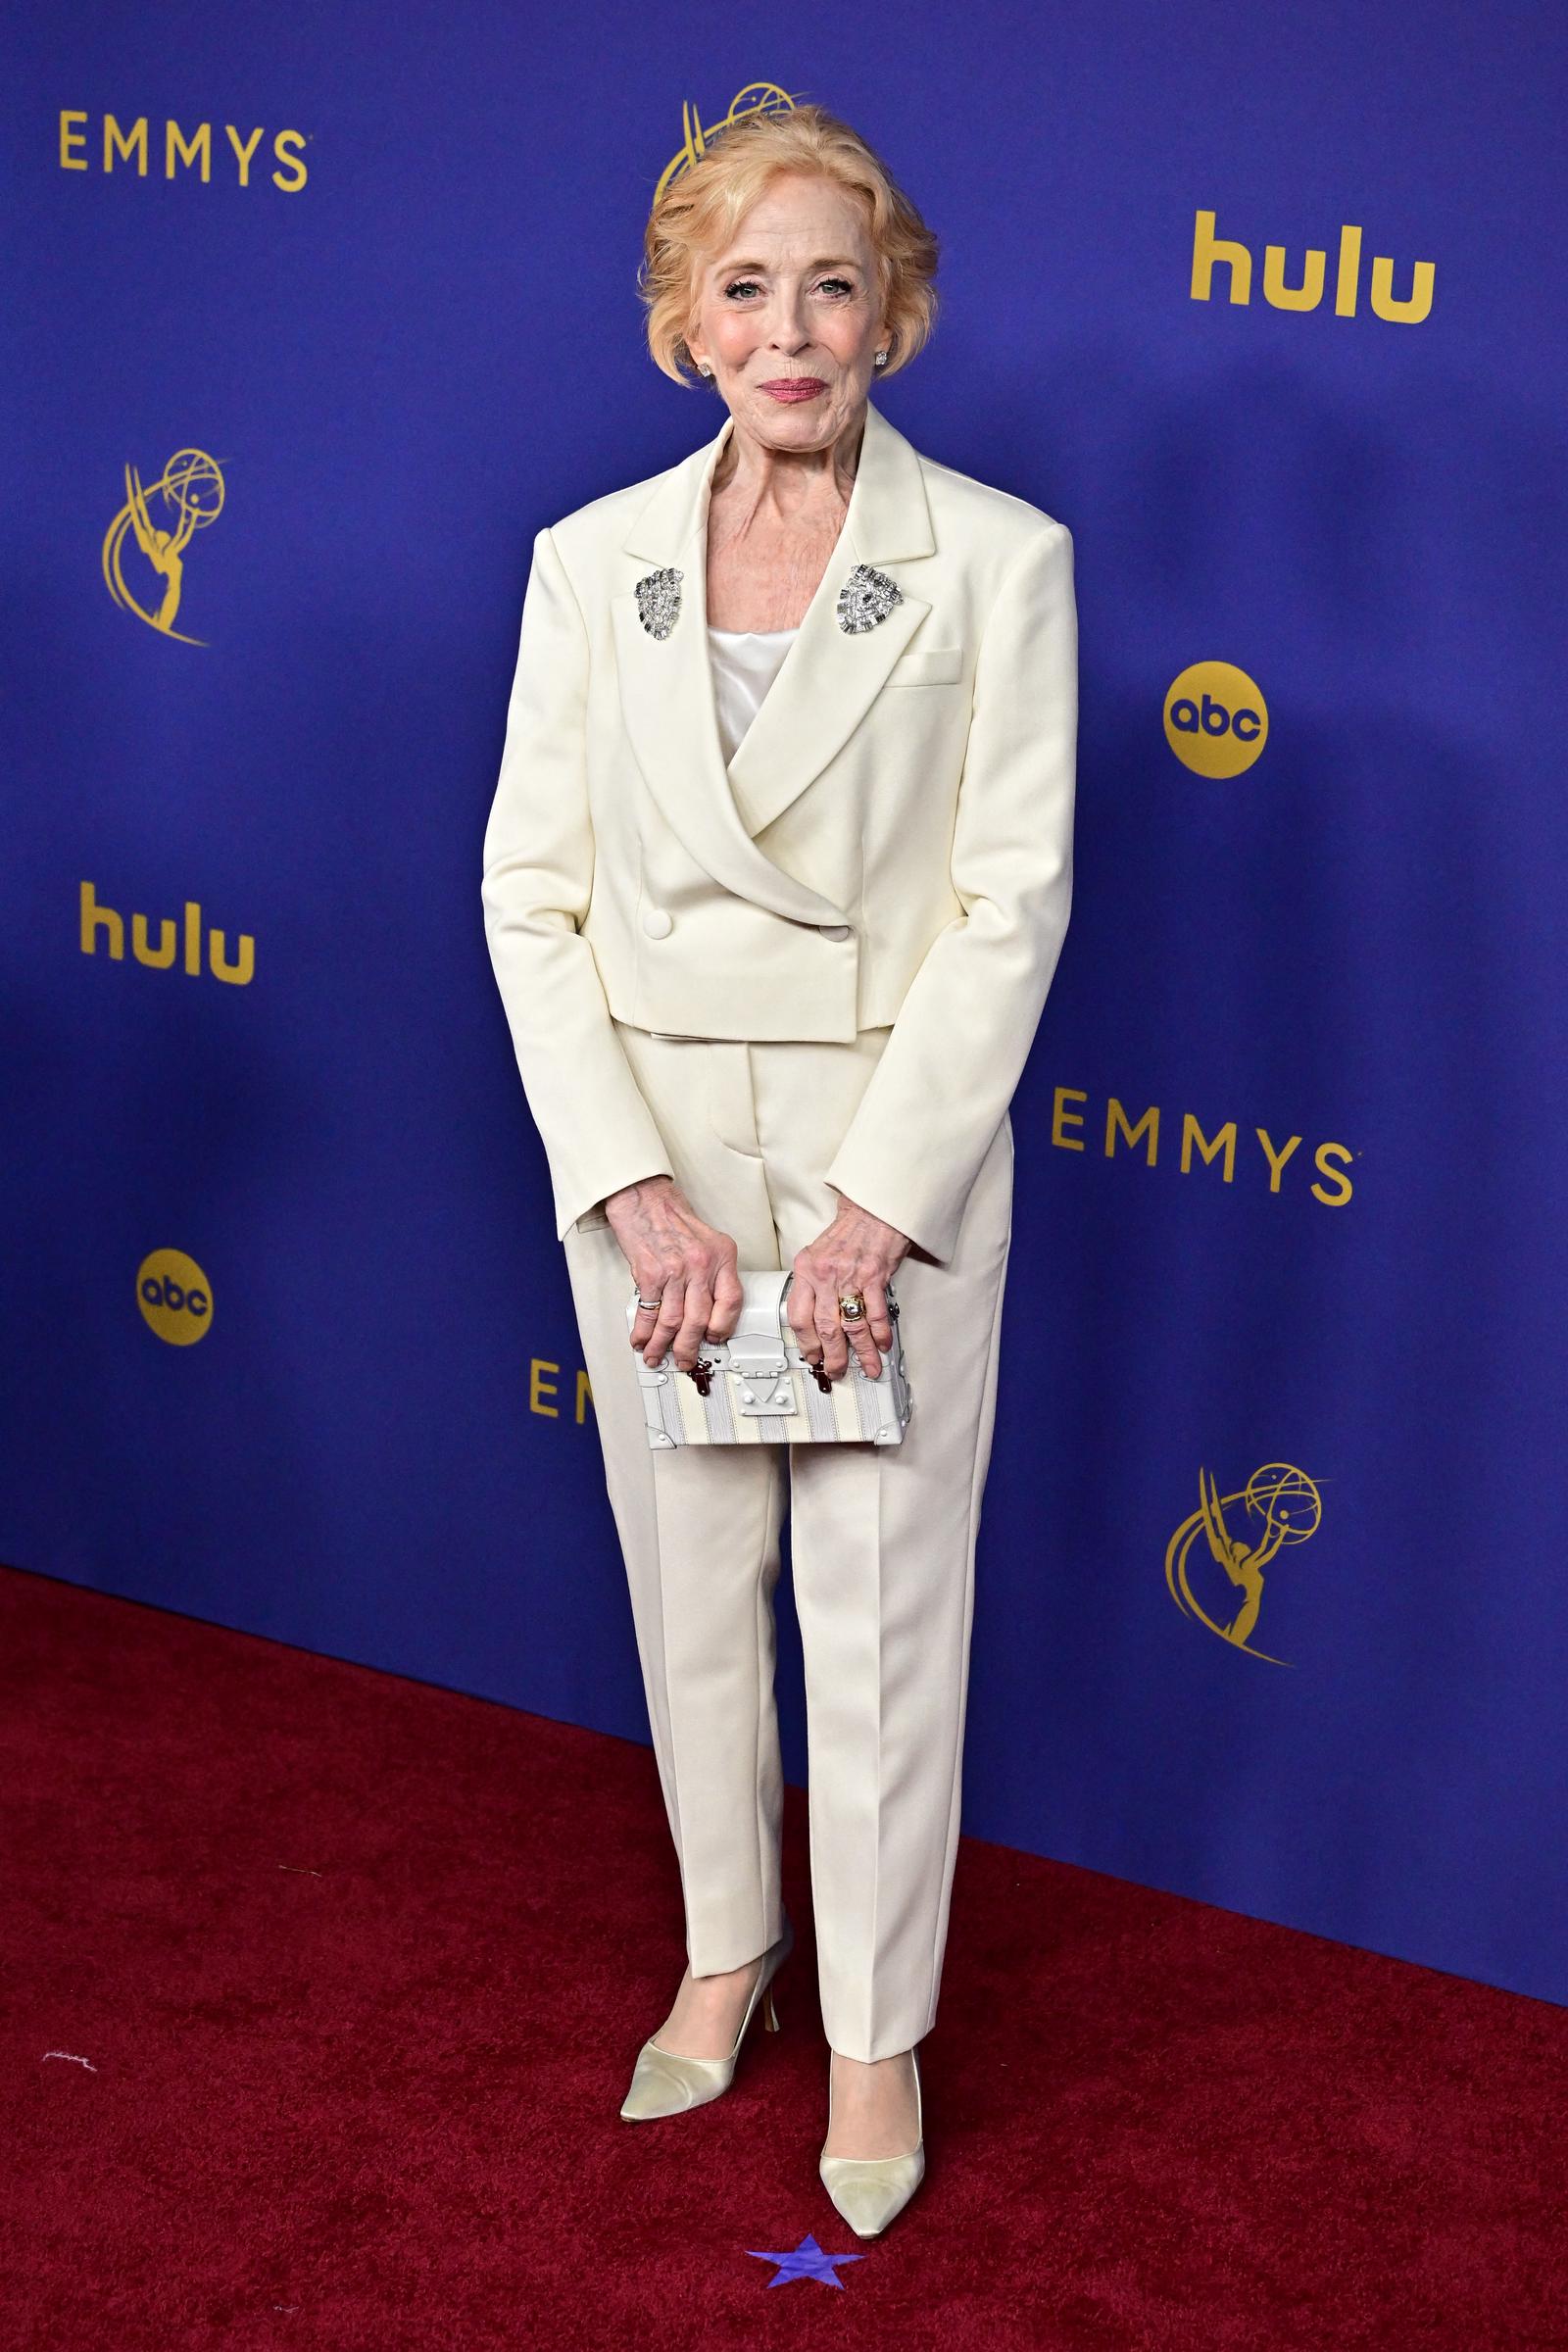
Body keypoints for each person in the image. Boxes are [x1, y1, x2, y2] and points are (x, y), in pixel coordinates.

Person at [480, 101, 1077, 2237]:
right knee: (688, 1592)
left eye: (830, 281)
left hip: (871, 1173)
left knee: (880, 1616)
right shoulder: (587, 562)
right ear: (678, 320)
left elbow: (1007, 906)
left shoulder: (998, 562)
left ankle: (874, 2028)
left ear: (891, 309)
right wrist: (629, 1186)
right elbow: (528, 895)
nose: (789, 327)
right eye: (744, 285)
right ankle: (726, 1952)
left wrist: (873, 1206)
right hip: (656, 1178)